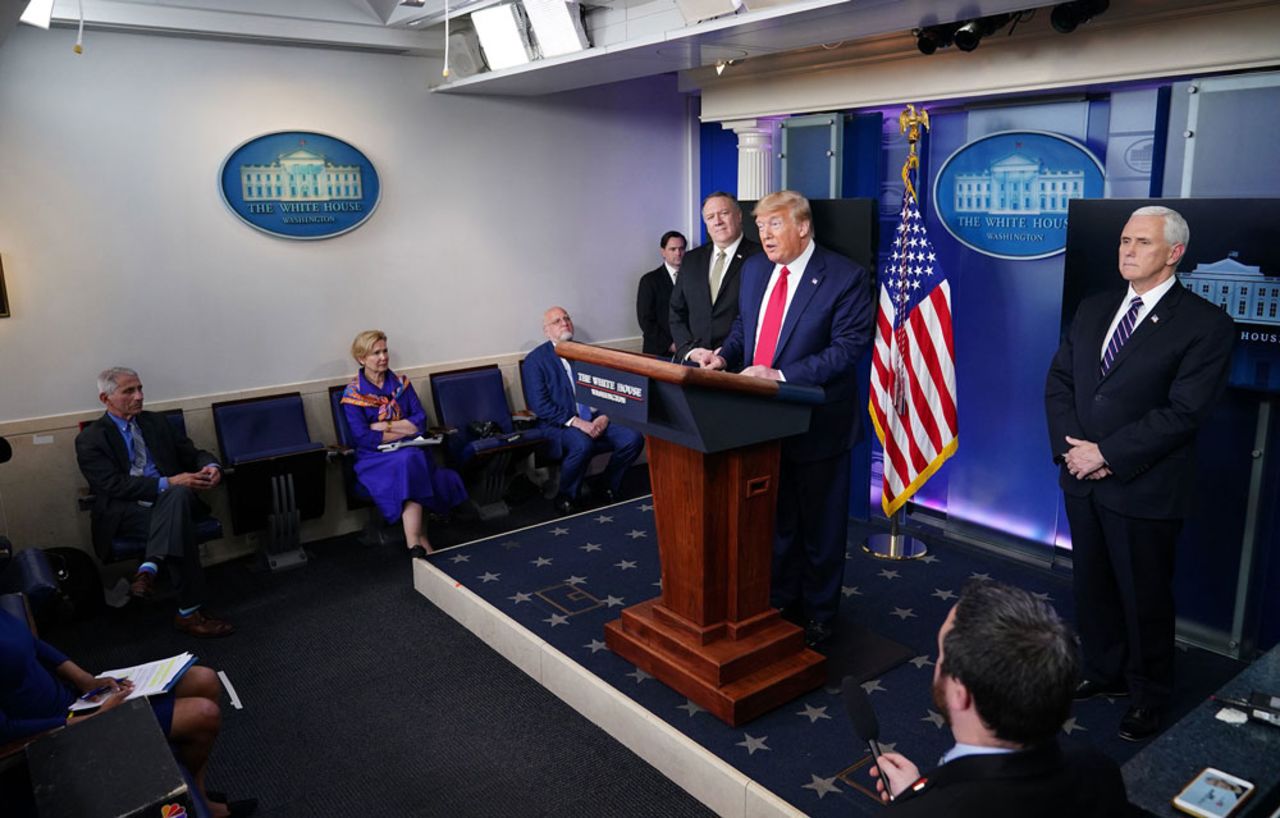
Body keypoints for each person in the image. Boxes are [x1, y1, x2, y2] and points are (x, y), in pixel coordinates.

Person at [1044, 205, 1234, 742]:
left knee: (1144, 594)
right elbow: (1060, 382)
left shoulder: (1206, 325)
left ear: (1174, 253)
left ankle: (1149, 692)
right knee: (1093, 586)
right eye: (1125, 240)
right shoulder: (1094, 306)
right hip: (1081, 479)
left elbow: (1184, 412)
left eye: (1142, 243)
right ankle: (1104, 672)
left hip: (1143, 486)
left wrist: (1106, 453)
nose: (1127, 250)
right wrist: (1072, 451)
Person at [691, 190, 872, 647]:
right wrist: (723, 356)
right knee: (777, 523)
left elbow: (847, 350)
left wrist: (782, 374)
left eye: (774, 225)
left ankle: (821, 616)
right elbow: (742, 329)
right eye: (761, 225)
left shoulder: (844, 277)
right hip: (761, 424)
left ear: (803, 227)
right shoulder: (753, 270)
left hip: (818, 426)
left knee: (821, 530)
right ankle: (782, 601)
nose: (764, 235)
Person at [869, 581, 1131, 817]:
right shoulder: (1098, 770)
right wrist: (921, 791)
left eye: (940, 656)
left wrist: (914, 804)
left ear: (961, 695)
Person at [0, 607, 254, 817]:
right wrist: (90, 719)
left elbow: (33, 643)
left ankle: (198, 798)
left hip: (75, 701)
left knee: (203, 679)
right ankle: (195, 805)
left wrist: (85, 679)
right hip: (57, 734)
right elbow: (7, 733)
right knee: (204, 715)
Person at [75, 367, 233, 638]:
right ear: (106, 399)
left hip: (172, 503)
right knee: (177, 508)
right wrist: (169, 483)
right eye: (129, 391)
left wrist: (211, 466)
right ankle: (188, 613)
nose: (139, 396)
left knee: (178, 498)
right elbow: (112, 485)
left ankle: (149, 568)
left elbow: (193, 453)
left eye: (140, 389)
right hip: (127, 511)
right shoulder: (90, 438)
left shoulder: (156, 423)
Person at [341, 330, 467, 559]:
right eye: (376, 353)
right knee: (411, 461)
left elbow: (419, 423)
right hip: (374, 460)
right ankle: (417, 542)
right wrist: (402, 427)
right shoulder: (352, 394)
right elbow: (363, 438)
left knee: (411, 459)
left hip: (410, 452)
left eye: (385, 351)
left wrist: (384, 426)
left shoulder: (402, 384)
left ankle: (416, 545)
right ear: (361, 359)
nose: (383, 357)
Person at [521, 306, 645, 515]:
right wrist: (578, 423)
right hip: (559, 424)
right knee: (582, 444)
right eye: (557, 321)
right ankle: (567, 495)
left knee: (633, 438)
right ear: (546, 331)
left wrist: (605, 416)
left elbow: (605, 388)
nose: (564, 323)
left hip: (595, 417)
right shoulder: (536, 360)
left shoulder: (586, 353)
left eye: (567, 318)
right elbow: (540, 405)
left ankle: (607, 485)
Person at [668, 192, 762, 360]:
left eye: (724, 214)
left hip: (741, 365)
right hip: (696, 363)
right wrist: (690, 351)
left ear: (739, 216)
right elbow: (676, 312)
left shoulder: (761, 258)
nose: (717, 221)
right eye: (710, 217)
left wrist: (726, 354)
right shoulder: (691, 259)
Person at [636, 230, 686, 357]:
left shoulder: (694, 278)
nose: (678, 253)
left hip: (688, 352)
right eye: (673, 249)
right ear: (663, 252)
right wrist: (670, 344)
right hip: (659, 352)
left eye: (681, 248)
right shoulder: (649, 280)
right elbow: (645, 320)